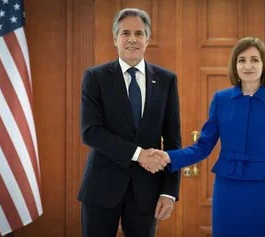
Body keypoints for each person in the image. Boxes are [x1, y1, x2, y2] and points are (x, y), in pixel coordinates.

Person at [146, 37, 265, 236]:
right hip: (228, 187)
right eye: (241, 60)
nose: (248, 65)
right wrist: (169, 157)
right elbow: (203, 146)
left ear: (264, 64)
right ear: (235, 65)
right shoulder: (221, 100)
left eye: (254, 60)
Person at [77, 8, 181, 237]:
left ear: (147, 39)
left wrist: (169, 192)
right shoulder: (95, 77)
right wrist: (139, 154)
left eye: (139, 33)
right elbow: (91, 132)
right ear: (115, 39)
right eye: (125, 33)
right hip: (101, 189)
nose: (132, 39)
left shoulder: (166, 80)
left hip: (146, 193)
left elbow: (173, 141)